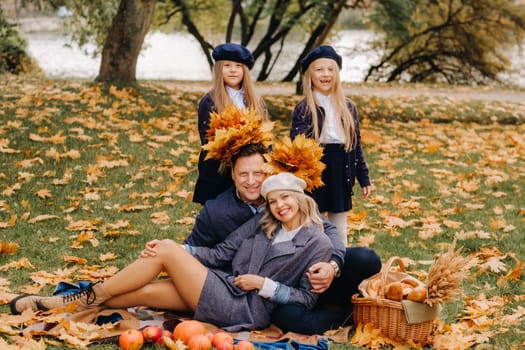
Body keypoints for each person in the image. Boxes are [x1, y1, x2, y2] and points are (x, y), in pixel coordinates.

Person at [11, 173, 333, 332]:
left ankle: (74, 299)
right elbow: (221, 253)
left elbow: (306, 299)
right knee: (140, 291)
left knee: (163, 249)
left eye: (284, 198)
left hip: (245, 309)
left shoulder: (318, 244)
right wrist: (183, 251)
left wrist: (263, 285)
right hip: (221, 285)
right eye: (273, 200)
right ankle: (57, 305)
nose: (279, 206)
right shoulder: (263, 222)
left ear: (300, 198)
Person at [186, 142, 380, 334]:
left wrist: (333, 266)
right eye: (244, 174)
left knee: (365, 258)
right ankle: (345, 313)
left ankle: (351, 305)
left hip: (310, 269)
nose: (251, 181)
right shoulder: (217, 211)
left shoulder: (284, 191)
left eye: (258, 173)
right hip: (263, 290)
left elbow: (327, 229)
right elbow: (209, 251)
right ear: (233, 175)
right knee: (290, 318)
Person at [291, 45, 372, 245]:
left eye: (330, 70)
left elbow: (356, 146)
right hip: (315, 171)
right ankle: (314, 262)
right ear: (309, 75)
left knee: (338, 229)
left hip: (341, 171)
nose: (325, 74)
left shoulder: (348, 107)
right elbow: (297, 147)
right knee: (314, 225)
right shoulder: (304, 109)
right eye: (319, 70)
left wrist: (364, 178)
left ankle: (340, 264)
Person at [193, 43, 268, 205]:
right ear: (219, 69)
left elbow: (263, 133)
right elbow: (207, 138)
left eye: (238, 66)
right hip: (219, 165)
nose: (233, 70)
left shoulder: (255, 100)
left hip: (249, 162)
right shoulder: (210, 101)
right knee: (220, 205)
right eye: (227, 65)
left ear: (245, 71)